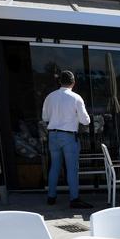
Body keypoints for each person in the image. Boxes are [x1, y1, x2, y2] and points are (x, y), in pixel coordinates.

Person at [41, 70, 92, 208]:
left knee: (54, 167)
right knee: (71, 169)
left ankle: (51, 197)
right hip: (68, 136)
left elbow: (45, 118)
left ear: (60, 82)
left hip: (53, 135)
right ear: (73, 82)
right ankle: (74, 199)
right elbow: (85, 121)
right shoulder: (76, 98)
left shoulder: (50, 97)